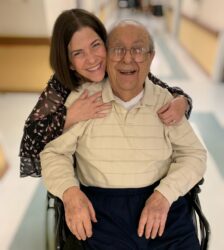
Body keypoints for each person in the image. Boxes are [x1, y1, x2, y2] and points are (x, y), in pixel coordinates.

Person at [40, 20, 207, 250]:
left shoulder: (165, 101)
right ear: (106, 57)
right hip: (98, 212)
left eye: (138, 50)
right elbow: (53, 152)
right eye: (118, 49)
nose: (128, 58)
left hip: (162, 207)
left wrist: (164, 195)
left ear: (150, 57)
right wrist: (70, 193)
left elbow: (194, 155)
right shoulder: (84, 99)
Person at [19, 8, 192, 179]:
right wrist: (69, 116)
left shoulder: (121, 67)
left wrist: (182, 102)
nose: (92, 59)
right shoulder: (61, 84)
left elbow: (168, 91)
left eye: (95, 45)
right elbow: (31, 135)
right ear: (69, 62)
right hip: (79, 170)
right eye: (78, 53)